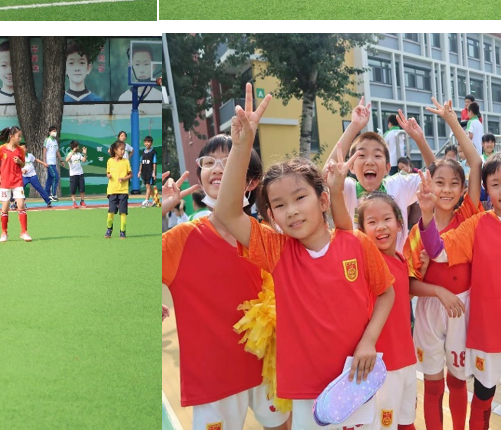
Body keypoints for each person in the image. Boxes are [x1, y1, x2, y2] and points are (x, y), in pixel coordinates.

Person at [212, 84, 397, 430]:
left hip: (355, 384)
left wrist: (369, 340)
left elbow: (386, 292)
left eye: (300, 198)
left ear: (323, 201)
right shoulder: (277, 251)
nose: (292, 211)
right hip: (306, 394)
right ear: (271, 217)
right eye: (280, 205)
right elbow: (226, 214)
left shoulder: (356, 243)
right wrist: (242, 145)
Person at [415, 155, 501, 430]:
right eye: (495, 184)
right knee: (483, 396)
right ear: (486, 190)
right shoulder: (477, 224)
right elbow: (438, 251)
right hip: (486, 332)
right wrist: (427, 213)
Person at [160, 133, 288, 430]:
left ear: (251, 182)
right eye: (209, 162)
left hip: (266, 366)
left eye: (229, 162)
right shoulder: (182, 239)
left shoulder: (266, 237)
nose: (218, 168)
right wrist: (160, 211)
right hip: (214, 377)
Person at [402, 99, 484, 430]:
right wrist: (437, 291)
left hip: (462, 307)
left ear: (463, 190)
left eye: (454, 184)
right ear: (429, 186)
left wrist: (453, 121)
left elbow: (475, 162)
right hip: (429, 310)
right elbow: (408, 285)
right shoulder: (416, 232)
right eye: (440, 183)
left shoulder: (468, 215)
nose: (446, 190)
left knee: (458, 382)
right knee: (433, 385)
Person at [335, 101, 436, 249]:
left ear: (388, 167)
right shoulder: (347, 190)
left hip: (397, 263)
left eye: (377, 156)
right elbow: (325, 177)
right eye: (361, 155)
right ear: (351, 166)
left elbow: (436, 176)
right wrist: (354, 126)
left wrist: (420, 139)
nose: (370, 161)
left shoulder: (398, 185)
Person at [0, 126, 32, 242]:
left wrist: (20, 162)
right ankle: (4, 232)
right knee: (5, 208)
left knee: (21, 205)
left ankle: (24, 232)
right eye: (18, 136)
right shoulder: (2, 149)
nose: (20, 139)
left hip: (17, 181)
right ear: (11, 136)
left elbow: (23, 164)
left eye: (20, 136)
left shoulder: (20, 150)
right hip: (5, 182)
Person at [105, 138, 132, 239]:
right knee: (111, 211)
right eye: (121, 149)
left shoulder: (126, 162)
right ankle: (109, 229)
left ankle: (122, 231)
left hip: (123, 191)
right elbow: (108, 173)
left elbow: (130, 174)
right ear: (115, 150)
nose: (123, 151)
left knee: (123, 212)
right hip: (112, 191)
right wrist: (108, 175)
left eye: (124, 149)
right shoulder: (109, 161)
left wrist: (124, 178)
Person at [65, 141, 88, 207]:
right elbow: (66, 160)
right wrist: (72, 152)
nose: (78, 147)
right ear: (74, 147)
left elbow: (84, 160)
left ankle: (82, 201)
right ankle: (74, 202)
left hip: (80, 173)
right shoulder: (70, 153)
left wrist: (85, 154)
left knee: (82, 188)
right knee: (73, 189)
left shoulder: (79, 154)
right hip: (73, 174)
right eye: (77, 146)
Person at [43, 128, 61, 203]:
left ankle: (46, 194)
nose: (55, 132)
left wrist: (61, 160)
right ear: (50, 132)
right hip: (49, 162)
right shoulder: (47, 140)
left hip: (54, 162)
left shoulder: (55, 141)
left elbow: (57, 151)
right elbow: (44, 150)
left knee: (50, 179)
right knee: (56, 176)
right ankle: (53, 194)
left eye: (56, 131)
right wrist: (44, 161)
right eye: (53, 131)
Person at [139, 135, 156, 206]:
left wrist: (154, 173)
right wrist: (139, 171)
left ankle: (146, 201)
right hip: (144, 172)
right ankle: (155, 200)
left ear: (151, 143)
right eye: (145, 142)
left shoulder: (153, 153)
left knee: (148, 186)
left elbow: (154, 163)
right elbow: (141, 162)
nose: (147, 143)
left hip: (150, 172)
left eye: (148, 142)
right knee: (148, 187)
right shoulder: (143, 152)